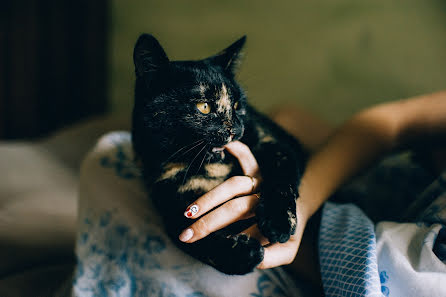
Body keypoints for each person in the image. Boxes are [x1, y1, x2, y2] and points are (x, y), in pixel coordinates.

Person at [177, 90, 446, 286]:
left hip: (365, 264)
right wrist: (297, 202)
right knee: (288, 119)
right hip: (398, 192)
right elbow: (395, 123)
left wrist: (292, 234)